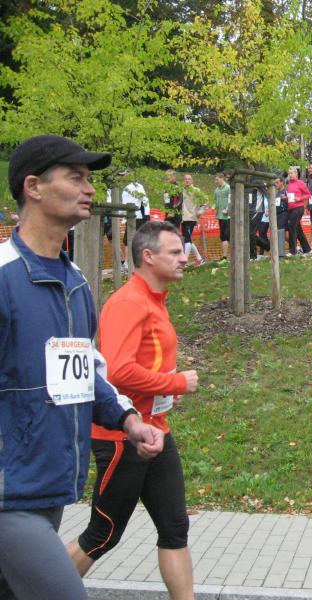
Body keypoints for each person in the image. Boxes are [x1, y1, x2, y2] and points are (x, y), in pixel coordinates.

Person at [0, 134, 164, 600]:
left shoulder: (74, 281)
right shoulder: (3, 277)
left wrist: (128, 420)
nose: (90, 188)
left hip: (49, 488)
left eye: (90, 179)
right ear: (34, 186)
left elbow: (84, 372)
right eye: (76, 178)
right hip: (9, 497)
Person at [67, 220, 198, 600]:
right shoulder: (128, 302)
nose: (184, 258)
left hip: (157, 432)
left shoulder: (154, 300)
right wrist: (176, 383)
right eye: (175, 252)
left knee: (175, 528)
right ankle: (29, 590)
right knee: (102, 534)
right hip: (122, 437)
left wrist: (165, 390)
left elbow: (143, 366)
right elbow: (117, 371)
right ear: (148, 256)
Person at [120, 172, 151, 270]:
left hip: (136, 216)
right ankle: (129, 261)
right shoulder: (128, 188)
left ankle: (130, 261)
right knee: (130, 240)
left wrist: (146, 215)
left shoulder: (136, 187)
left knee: (132, 239)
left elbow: (144, 201)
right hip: (133, 216)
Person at [286, 166, 311, 256]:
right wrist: (285, 197)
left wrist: (299, 198)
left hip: (298, 207)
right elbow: (289, 197)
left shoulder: (300, 183)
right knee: (298, 229)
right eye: (289, 173)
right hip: (290, 208)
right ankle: (307, 249)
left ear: (296, 174)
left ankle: (293, 251)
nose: (290, 175)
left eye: (292, 173)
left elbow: (308, 195)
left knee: (291, 227)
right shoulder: (289, 184)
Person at [181, 174, 205, 265]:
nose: (187, 180)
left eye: (189, 179)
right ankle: (199, 259)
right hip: (183, 218)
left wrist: (201, 211)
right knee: (188, 239)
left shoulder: (196, 191)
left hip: (191, 218)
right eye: (185, 179)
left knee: (187, 239)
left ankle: (184, 262)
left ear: (192, 181)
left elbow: (204, 202)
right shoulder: (181, 190)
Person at [213, 172, 230, 259]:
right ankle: (225, 257)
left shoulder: (228, 188)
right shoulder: (216, 190)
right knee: (223, 236)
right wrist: (214, 208)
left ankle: (225, 257)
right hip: (220, 216)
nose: (215, 181)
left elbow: (231, 200)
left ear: (222, 178)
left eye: (217, 180)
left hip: (228, 217)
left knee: (226, 236)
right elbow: (215, 202)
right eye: (215, 180)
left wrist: (227, 209)